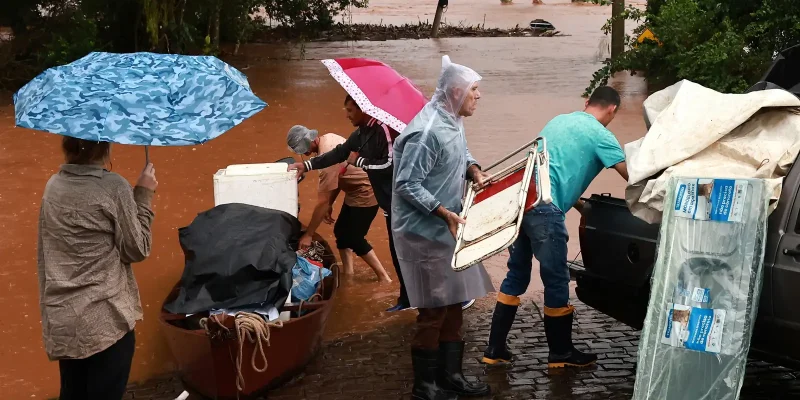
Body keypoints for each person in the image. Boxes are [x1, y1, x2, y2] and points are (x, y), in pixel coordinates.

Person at [481, 86, 629, 369]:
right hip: (546, 212)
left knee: (517, 275)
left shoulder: (557, 122)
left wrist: (577, 205)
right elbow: (631, 177)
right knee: (557, 278)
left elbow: (550, 171)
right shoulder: (602, 135)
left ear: (586, 102)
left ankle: (494, 349)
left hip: (522, 203)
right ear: (612, 110)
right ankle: (561, 353)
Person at [289, 95, 475, 312]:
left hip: (407, 201)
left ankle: (461, 294)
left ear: (363, 110)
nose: (347, 115)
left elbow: (389, 164)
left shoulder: (383, 130)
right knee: (399, 254)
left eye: (350, 111)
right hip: (390, 203)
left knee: (427, 250)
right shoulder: (362, 133)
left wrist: (358, 161)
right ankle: (407, 299)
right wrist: (308, 165)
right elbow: (340, 153)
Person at [392, 55, 494, 400]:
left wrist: (475, 170)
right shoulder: (426, 131)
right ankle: (425, 387)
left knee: (454, 301)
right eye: (474, 90)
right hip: (424, 230)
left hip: (448, 225)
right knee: (433, 308)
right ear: (455, 92)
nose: (478, 96)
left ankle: (451, 376)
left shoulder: (452, 120)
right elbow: (406, 184)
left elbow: (461, 153)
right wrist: (442, 212)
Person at [37, 137, 158, 400]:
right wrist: (144, 195)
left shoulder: (53, 185)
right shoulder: (113, 187)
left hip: (65, 321)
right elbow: (137, 249)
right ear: (106, 146)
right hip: (105, 322)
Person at [286, 125, 392, 282]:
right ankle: (349, 274)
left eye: (304, 149)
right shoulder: (328, 137)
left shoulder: (326, 157)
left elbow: (321, 202)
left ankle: (384, 277)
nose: (304, 154)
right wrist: (331, 203)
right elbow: (337, 180)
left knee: (354, 238)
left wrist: (308, 234)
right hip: (355, 190)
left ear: (312, 140)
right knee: (340, 232)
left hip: (366, 191)